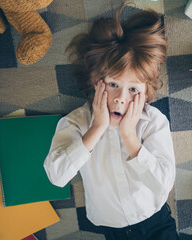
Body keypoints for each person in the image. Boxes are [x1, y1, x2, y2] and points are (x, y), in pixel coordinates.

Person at [44, 2, 180, 239]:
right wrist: (97, 128)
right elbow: (56, 177)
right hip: (112, 229)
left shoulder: (153, 121)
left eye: (133, 89)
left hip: (156, 221)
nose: (120, 99)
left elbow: (163, 183)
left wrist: (129, 137)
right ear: (97, 81)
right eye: (113, 85)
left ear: (146, 90)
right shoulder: (75, 123)